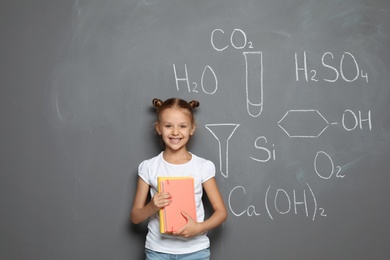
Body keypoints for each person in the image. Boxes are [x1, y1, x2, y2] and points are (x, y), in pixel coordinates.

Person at [131, 98, 227, 260]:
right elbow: (135, 217)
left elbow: (221, 212)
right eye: (168, 126)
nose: (175, 132)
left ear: (192, 129)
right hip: (157, 250)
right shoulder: (148, 167)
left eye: (182, 126)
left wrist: (199, 227)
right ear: (159, 128)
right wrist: (152, 206)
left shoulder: (202, 166)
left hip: (195, 250)